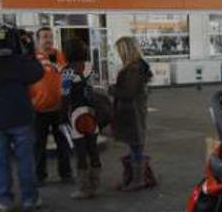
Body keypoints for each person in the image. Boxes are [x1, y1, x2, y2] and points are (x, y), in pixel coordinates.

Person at [0, 24, 45, 212]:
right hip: (21, 117)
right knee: (25, 159)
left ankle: (5, 201)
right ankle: (30, 199)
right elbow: (38, 72)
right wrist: (29, 51)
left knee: (1, 160)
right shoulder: (17, 61)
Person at [29, 26, 72, 185]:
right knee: (38, 144)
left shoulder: (58, 55)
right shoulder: (32, 57)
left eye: (50, 37)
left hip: (59, 109)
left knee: (63, 143)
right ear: (38, 40)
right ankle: (40, 176)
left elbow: (67, 75)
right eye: (45, 37)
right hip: (38, 109)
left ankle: (66, 174)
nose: (48, 40)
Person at [109, 36, 153, 191]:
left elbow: (128, 93)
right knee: (135, 146)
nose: (118, 54)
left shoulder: (134, 69)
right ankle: (132, 178)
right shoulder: (137, 67)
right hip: (133, 112)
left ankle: (138, 180)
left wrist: (111, 89)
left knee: (136, 147)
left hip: (132, 113)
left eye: (120, 50)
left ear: (126, 50)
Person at [61, 39, 102, 200]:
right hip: (92, 113)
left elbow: (64, 96)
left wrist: (62, 116)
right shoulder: (90, 67)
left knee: (81, 152)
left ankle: (84, 189)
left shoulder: (67, 71)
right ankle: (95, 185)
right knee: (93, 149)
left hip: (76, 115)